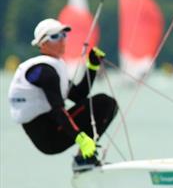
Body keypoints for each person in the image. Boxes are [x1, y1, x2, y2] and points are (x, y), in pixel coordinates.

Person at [7, 18, 117, 172]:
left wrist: (91, 67)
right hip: (49, 136)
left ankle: (85, 159)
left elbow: (79, 95)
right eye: (55, 37)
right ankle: (83, 159)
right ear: (43, 44)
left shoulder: (53, 68)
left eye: (64, 35)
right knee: (104, 103)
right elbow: (58, 110)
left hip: (54, 131)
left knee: (105, 104)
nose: (62, 40)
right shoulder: (45, 72)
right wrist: (81, 139)